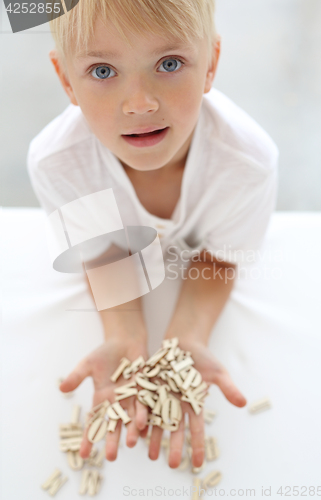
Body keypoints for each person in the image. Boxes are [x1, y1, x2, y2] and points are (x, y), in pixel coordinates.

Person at [27, 0, 278, 469]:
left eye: (169, 63)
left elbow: (218, 256)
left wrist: (187, 336)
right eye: (102, 71)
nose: (139, 103)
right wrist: (125, 331)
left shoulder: (246, 163)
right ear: (66, 81)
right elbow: (104, 251)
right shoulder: (57, 162)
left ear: (211, 65)